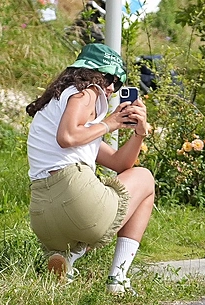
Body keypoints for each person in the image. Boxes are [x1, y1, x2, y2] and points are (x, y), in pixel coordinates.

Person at [25, 43, 154, 295]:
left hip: (43, 218)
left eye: (117, 85)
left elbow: (119, 163)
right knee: (146, 178)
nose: (110, 88)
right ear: (92, 75)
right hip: (75, 199)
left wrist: (139, 133)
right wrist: (110, 122)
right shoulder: (87, 92)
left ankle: (69, 259)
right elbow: (68, 136)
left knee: (126, 181)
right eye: (110, 79)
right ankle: (118, 279)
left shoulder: (56, 104)